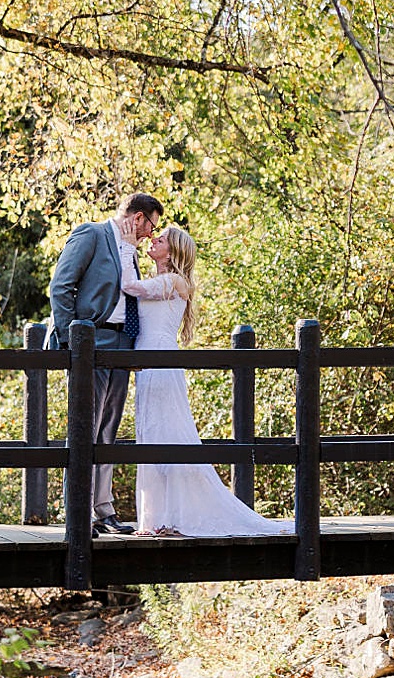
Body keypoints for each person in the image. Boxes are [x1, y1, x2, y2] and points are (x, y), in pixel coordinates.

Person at [115, 222, 292, 538]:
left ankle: (171, 516)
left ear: (175, 250)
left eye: (162, 238)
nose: (154, 240)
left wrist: (128, 245)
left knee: (166, 433)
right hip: (145, 362)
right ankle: (156, 519)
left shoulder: (175, 281)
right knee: (150, 433)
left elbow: (131, 288)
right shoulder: (159, 278)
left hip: (161, 359)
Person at [48, 192, 162, 536]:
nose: (149, 235)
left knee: (108, 432)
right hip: (91, 343)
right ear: (138, 217)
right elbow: (60, 287)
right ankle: (78, 513)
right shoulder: (92, 234)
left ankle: (103, 510)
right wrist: (72, 342)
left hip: (122, 346)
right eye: (150, 226)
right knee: (85, 429)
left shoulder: (130, 249)